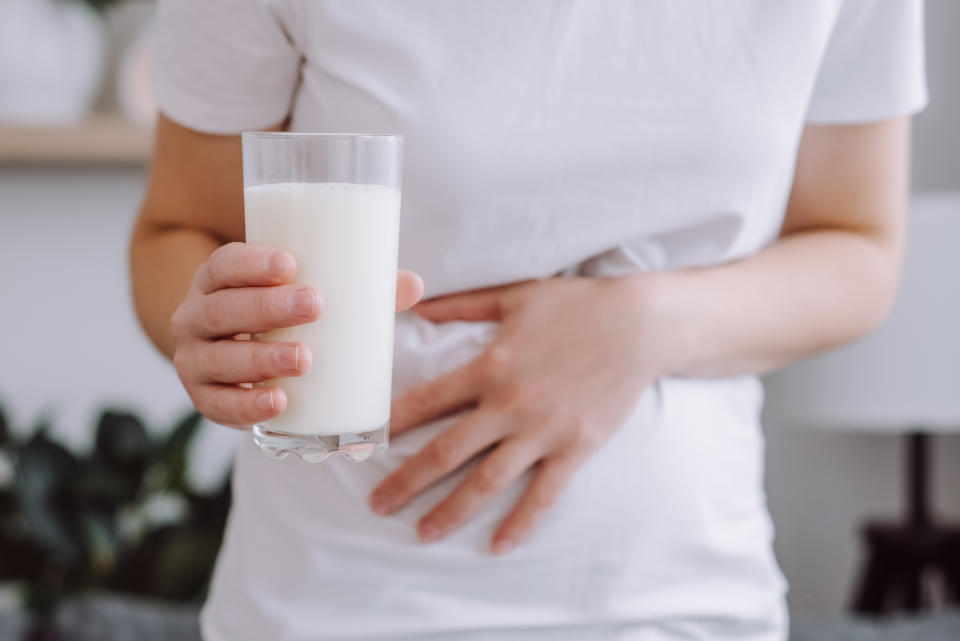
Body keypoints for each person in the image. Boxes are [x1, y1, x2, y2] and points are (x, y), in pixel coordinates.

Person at [129, 1, 927, 639]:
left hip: (683, 595)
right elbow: (178, 230)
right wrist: (212, 331)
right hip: (336, 596)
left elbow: (858, 247)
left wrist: (643, 323)